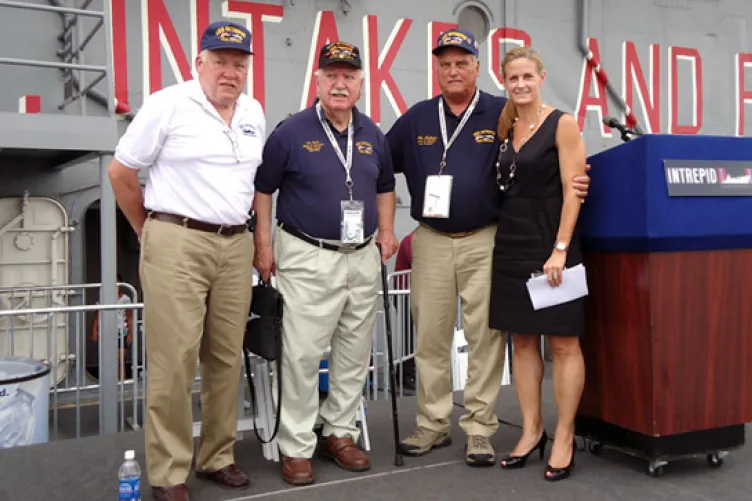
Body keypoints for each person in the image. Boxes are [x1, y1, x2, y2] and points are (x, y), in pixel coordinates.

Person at [385, 29, 591, 466]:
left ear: (478, 69)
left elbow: (559, 161)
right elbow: (379, 167)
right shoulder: (417, 118)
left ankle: (480, 429)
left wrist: (580, 180)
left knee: (487, 339)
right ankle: (432, 423)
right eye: (446, 63)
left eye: (463, 62)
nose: (454, 70)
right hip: (433, 240)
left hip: (487, 239)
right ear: (437, 70)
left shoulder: (504, 112)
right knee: (430, 337)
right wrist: (384, 226)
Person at [107, 20, 264, 501]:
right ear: (199, 63)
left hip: (235, 244)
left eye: (239, 64)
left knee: (224, 356)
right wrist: (147, 230)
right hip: (177, 238)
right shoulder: (168, 104)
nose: (229, 72)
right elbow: (121, 172)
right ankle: (170, 470)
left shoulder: (253, 111)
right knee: (173, 360)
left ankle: (218, 455)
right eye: (219, 61)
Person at [253, 41, 399, 486]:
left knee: (355, 352)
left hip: (362, 255)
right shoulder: (291, 132)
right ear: (317, 82)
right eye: (332, 75)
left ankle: (340, 431)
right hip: (308, 254)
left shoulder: (373, 132)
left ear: (360, 84)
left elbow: (386, 187)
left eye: (349, 76)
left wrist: (388, 232)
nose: (340, 83)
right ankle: (296, 445)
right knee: (300, 353)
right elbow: (264, 190)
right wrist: (263, 244)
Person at [491, 46, 586, 482]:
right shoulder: (505, 126)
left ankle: (564, 435)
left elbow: (574, 189)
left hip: (553, 245)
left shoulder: (562, 124)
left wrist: (561, 248)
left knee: (564, 343)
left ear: (541, 76)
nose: (521, 84)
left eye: (528, 76)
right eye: (513, 78)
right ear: (505, 81)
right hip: (512, 243)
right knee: (523, 343)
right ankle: (532, 431)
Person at [90, 274, 133, 381]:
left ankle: (121, 384)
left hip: (121, 332)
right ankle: (108, 384)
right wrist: (94, 330)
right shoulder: (104, 297)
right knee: (108, 361)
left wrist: (131, 334)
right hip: (106, 333)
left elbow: (129, 317)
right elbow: (97, 315)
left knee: (120, 360)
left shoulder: (125, 299)